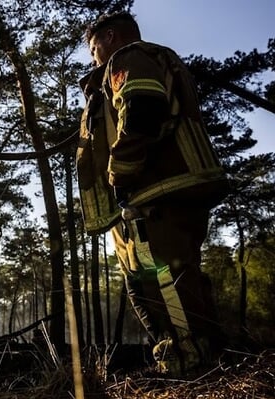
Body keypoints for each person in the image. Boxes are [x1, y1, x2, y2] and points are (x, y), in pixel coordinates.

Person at [77, 11, 229, 377]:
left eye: (93, 48)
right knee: (170, 279)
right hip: (156, 193)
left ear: (110, 37)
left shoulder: (127, 58)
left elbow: (143, 110)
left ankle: (189, 368)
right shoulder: (141, 62)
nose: (93, 57)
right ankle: (202, 360)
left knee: (163, 283)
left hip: (153, 193)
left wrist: (120, 173)